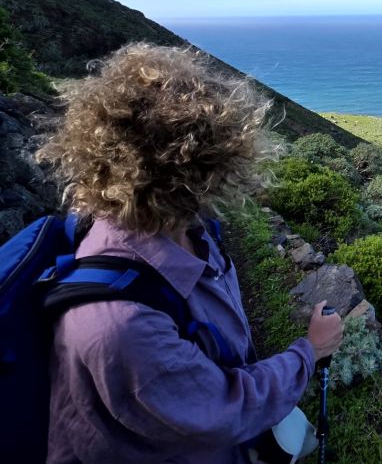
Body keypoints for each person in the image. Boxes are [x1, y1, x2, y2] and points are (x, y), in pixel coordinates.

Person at [36, 43, 344, 463]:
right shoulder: (121, 325)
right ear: (201, 169)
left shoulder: (186, 231)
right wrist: (310, 352)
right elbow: (223, 410)